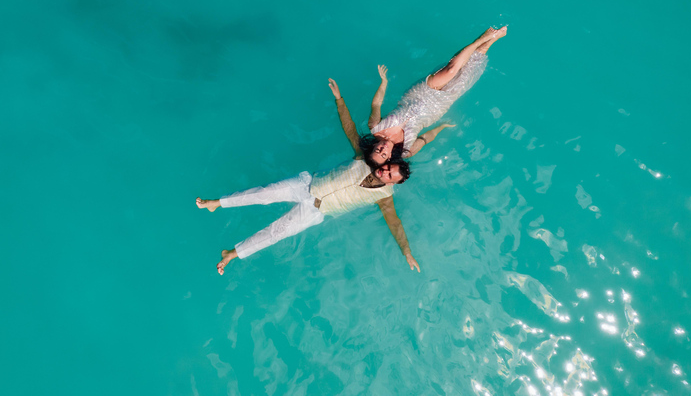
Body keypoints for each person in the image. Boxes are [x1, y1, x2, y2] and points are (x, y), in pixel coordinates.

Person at [196, 94, 421, 275]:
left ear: (393, 182)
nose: (385, 171)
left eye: (390, 175)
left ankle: (231, 254)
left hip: (316, 212)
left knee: (275, 233)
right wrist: (339, 99)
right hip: (306, 185)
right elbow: (350, 129)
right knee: (263, 193)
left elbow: (395, 225)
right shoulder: (365, 158)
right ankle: (217, 202)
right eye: (388, 167)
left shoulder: (383, 197)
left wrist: (407, 252)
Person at [359, 26, 507, 165]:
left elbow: (376, 104)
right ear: (389, 157)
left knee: (451, 70)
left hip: (418, 95)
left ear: (373, 146)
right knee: (467, 72)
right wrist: (442, 126)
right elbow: (425, 138)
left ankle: (483, 38)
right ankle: (492, 40)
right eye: (384, 154)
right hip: (434, 110)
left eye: (378, 150)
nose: (383, 149)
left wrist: (384, 82)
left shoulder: (375, 126)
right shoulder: (407, 151)